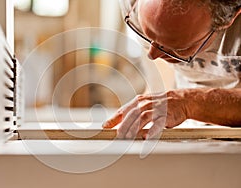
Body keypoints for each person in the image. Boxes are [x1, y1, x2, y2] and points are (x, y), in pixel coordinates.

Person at [102, 0, 241, 139]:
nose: (152, 54)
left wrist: (189, 103)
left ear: (231, 18)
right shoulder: (132, 6)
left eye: (178, 48)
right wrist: (154, 106)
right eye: (146, 32)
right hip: (191, 127)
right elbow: (160, 74)